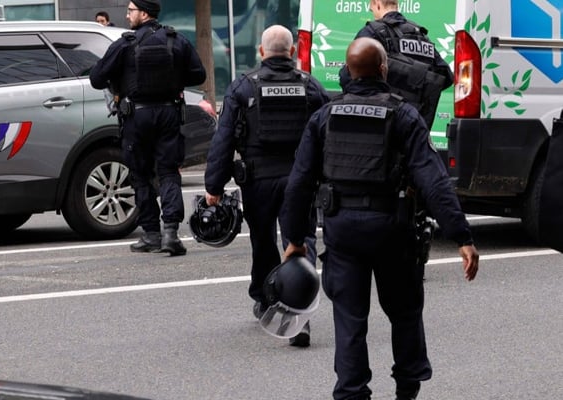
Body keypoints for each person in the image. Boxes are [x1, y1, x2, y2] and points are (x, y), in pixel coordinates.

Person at [280, 37, 479, 400]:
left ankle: (353, 391)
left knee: (350, 320)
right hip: (393, 230)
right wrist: (462, 236)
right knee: (404, 313)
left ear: (348, 71)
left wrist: (294, 239)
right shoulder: (403, 114)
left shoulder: (324, 116)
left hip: (343, 232)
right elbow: (432, 179)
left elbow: (299, 183)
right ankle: (407, 388)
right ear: (384, 69)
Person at [204, 25, 330, 347]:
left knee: (263, 242)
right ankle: (298, 313)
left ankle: (265, 298)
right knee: (299, 242)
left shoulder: (243, 88)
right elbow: (327, 136)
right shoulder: (311, 87)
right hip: (299, 181)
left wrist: (214, 186)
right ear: (291, 51)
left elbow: (224, 139)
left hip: (258, 182)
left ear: (262, 52)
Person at [90, 0, 206, 256]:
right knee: (168, 172)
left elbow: (96, 79)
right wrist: (173, 77)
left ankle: (151, 234)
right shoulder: (177, 40)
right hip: (168, 113)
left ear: (143, 13)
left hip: (136, 116)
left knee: (140, 174)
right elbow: (199, 75)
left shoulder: (125, 43)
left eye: (131, 10)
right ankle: (171, 234)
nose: (128, 14)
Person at [339, 0, 453, 129]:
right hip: (415, 125)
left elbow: (347, 76)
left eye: (372, 10)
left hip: (381, 123)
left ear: (377, 4)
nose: (373, 14)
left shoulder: (373, 32)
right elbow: (446, 76)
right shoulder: (421, 36)